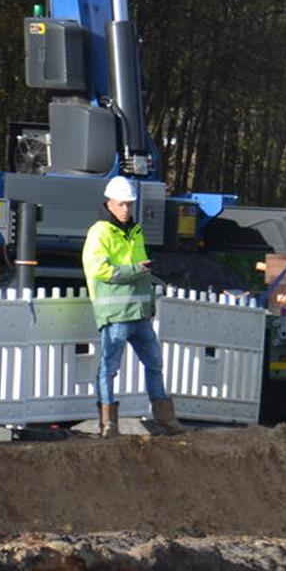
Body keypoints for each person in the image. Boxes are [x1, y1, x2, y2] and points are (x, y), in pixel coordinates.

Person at [82, 176, 184, 438]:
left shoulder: (135, 231)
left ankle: (164, 420)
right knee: (108, 369)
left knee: (154, 364)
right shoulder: (100, 232)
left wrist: (146, 288)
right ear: (109, 204)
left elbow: (142, 271)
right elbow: (100, 270)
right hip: (116, 315)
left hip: (138, 315)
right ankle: (108, 425)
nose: (126, 209)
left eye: (129, 204)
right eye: (122, 204)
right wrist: (136, 270)